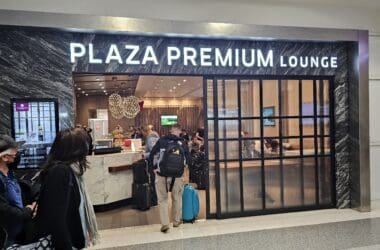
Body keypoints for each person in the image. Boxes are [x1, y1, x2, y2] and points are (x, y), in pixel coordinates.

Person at [33, 128, 99, 249]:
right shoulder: (60, 172)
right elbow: (57, 217)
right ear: (75, 148)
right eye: (85, 144)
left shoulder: (71, 170)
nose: (87, 148)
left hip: (70, 239)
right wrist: (66, 245)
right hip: (63, 242)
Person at [148, 125, 191, 233]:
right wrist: (185, 170)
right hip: (177, 176)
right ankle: (176, 221)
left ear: (170, 130)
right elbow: (189, 160)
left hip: (162, 174)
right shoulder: (183, 143)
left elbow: (152, 154)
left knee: (162, 199)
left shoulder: (162, 141)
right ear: (179, 131)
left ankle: (165, 224)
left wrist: (152, 169)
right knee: (177, 198)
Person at [0, 135, 36, 248]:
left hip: (19, 234)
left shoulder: (10, 174)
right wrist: (27, 211)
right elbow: (4, 211)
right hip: (6, 238)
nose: (17, 154)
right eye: (14, 152)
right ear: (5, 157)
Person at [143, 125, 160, 206]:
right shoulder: (155, 136)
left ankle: (154, 200)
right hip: (156, 163)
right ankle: (155, 199)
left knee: (153, 181)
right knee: (155, 181)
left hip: (153, 163)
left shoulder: (151, 138)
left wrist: (144, 155)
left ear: (145, 131)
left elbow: (155, 151)